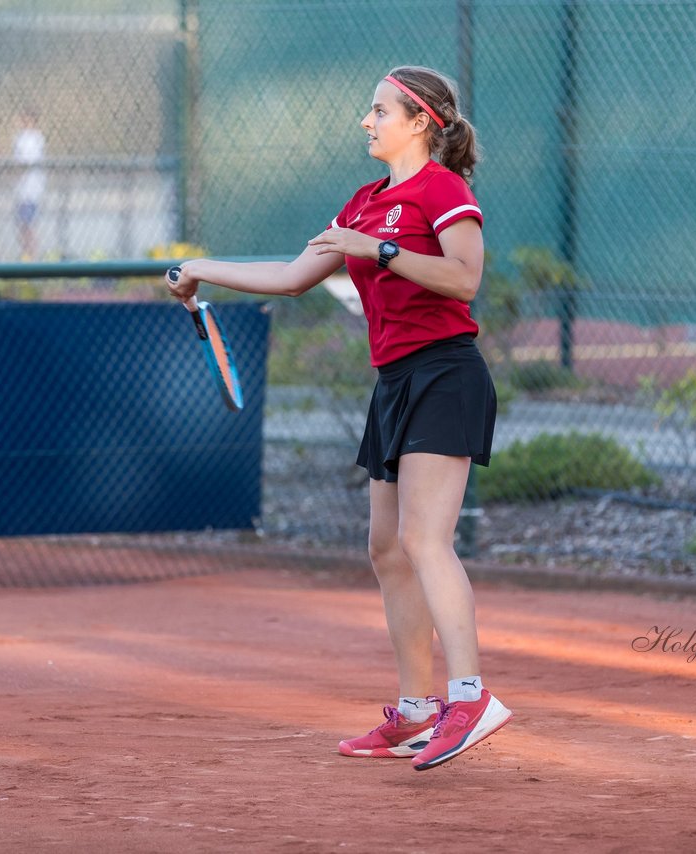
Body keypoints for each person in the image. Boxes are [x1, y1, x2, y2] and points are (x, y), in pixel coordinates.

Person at [164, 65, 511, 771]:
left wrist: (378, 249)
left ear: (419, 122)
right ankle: (417, 710)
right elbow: (294, 277)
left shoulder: (443, 190)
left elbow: (464, 277)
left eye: (380, 110)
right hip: (394, 382)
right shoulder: (359, 201)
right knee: (386, 548)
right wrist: (201, 266)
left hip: (446, 372)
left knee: (425, 540)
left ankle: (471, 698)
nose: (366, 120)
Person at [12, 108, 46, 260]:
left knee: (28, 225)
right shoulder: (24, 137)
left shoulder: (32, 138)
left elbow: (25, 163)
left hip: (30, 190)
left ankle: (31, 256)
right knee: (23, 225)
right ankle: (27, 255)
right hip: (24, 189)